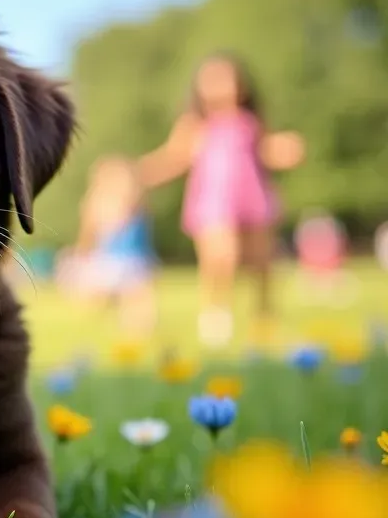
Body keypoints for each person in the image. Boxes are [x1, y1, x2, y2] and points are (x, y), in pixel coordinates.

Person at [137, 53, 304, 347]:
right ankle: (216, 317)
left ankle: (264, 318)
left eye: (226, 79)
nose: (220, 86)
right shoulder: (195, 125)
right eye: (211, 80)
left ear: (241, 85)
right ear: (199, 89)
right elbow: (174, 158)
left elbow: (266, 150)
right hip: (213, 203)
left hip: (251, 198)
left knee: (262, 262)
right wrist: (140, 173)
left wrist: (286, 150)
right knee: (219, 259)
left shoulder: (249, 122)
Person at [57, 156, 157, 337]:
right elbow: (88, 236)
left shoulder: (136, 204)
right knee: (97, 301)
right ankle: (103, 309)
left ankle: (133, 327)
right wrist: (82, 255)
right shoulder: (98, 206)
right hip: (109, 262)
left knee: (137, 305)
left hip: (133, 263)